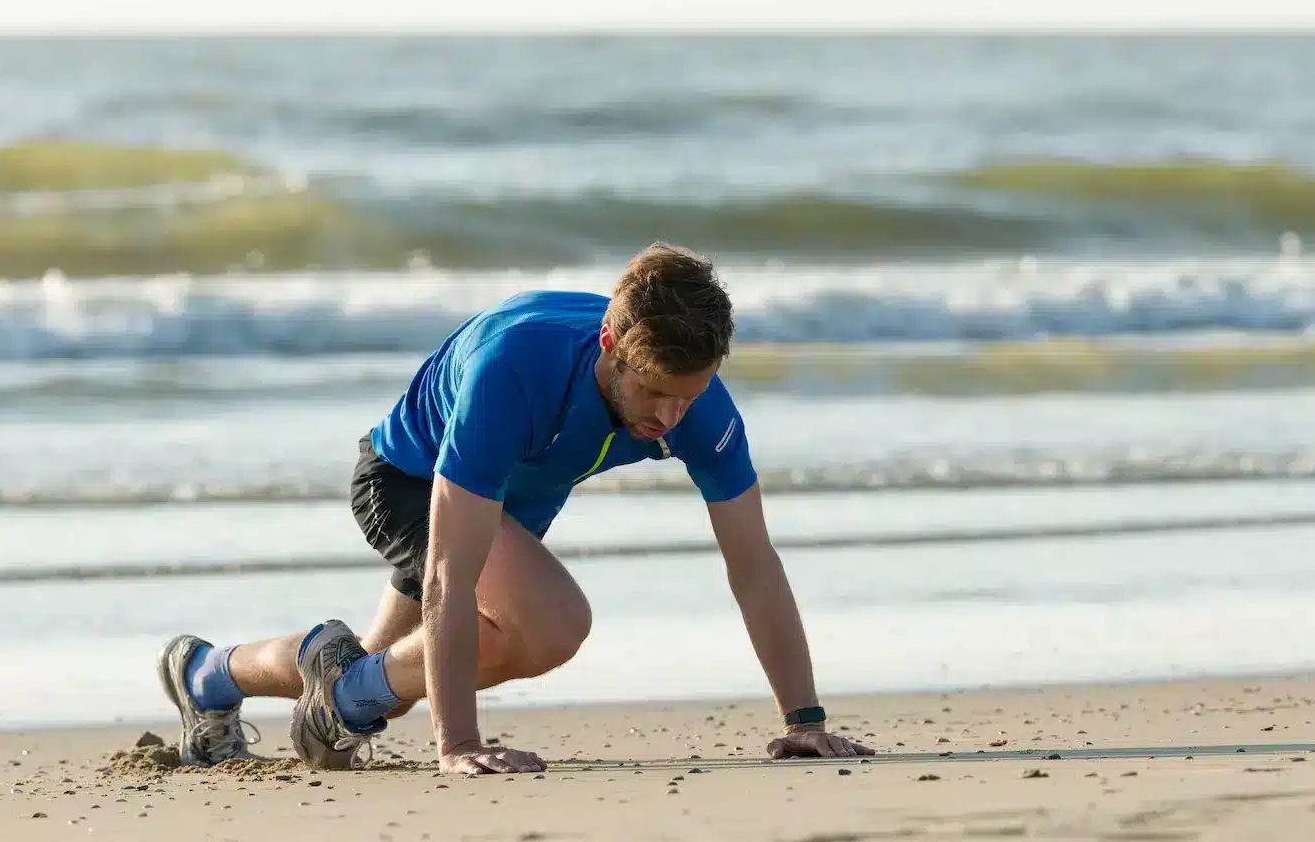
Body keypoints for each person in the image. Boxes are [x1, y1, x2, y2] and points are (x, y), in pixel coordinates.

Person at [157, 242, 874, 776]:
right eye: (654, 391)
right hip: (409, 481)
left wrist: (804, 720)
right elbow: (447, 574)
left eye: (688, 392)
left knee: (386, 682)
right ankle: (338, 692)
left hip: (512, 501)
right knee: (548, 624)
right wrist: (458, 745)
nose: (670, 414)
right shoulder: (512, 369)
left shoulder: (697, 407)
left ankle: (210, 673)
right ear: (609, 347)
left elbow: (752, 564)